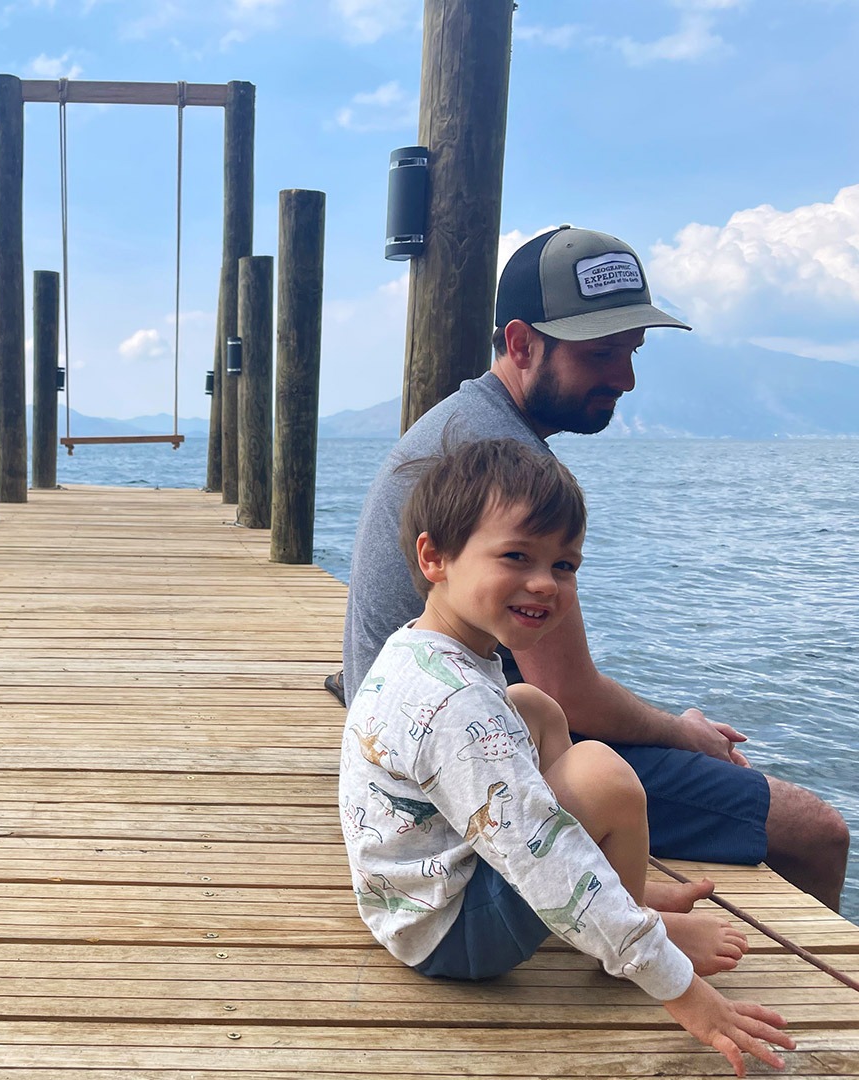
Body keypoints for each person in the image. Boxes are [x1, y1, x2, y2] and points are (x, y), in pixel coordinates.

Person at [341, 225, 849, 909]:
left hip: (412, 739)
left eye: (632, 352)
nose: (626, 378)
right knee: (817, 830)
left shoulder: (464, 428)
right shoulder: (509, 471)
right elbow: (570, 694)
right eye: (603, 353)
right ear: (521, 344)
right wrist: (684, 732)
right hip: (458, 766)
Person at [340, 438, 793, 1077]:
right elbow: (539, 850)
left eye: (565, 565)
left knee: (536, 705)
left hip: (412, 895)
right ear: (434, 556)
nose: (544, 583)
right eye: (517, 556)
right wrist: (684, 992)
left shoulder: (426, 648)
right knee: (604, 777)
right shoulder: (456, 704)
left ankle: (620, 891)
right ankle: (627, 926)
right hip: (450, 935)